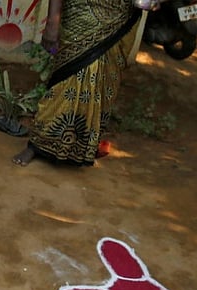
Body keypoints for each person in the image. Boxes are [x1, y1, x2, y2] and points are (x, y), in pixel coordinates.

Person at [12, 0, 143, 166]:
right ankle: (38, 144)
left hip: (120, 16)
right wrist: (52, 21)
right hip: (82, 10)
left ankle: (82, 147)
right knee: (69, 76)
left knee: (102, 78)